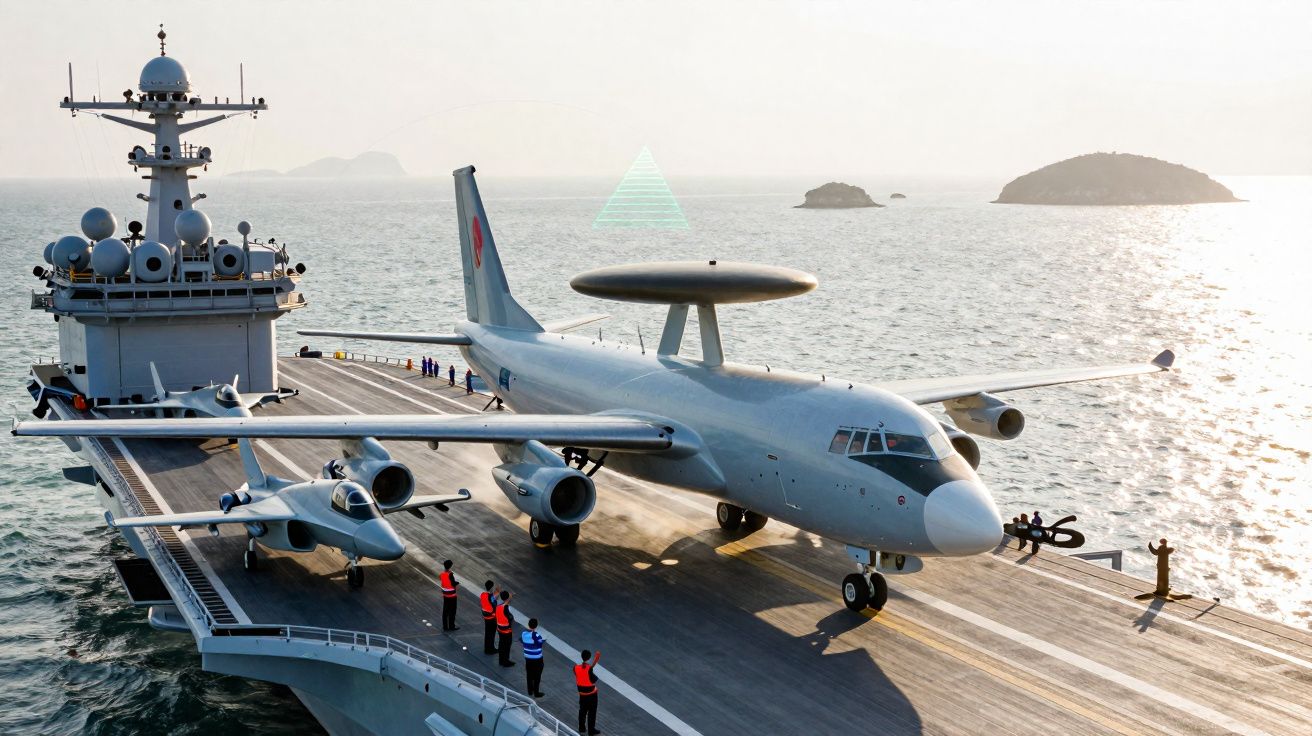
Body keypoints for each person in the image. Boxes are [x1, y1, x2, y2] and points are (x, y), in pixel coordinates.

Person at [574, 649, 601, 735]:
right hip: (591, 695)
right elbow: (594, 680)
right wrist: (590, 668)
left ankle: (581, 728)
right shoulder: (589, 669)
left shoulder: (575, 668)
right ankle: (591, 730)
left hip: (582, 695)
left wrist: (589, 668)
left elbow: (582, 673)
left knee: (582, 711)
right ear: (589, 658)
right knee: (592, 713)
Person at [521, 618, 546, 697]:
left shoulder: (523, 634)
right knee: (537, 675)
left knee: (529, 674)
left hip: (528, 658)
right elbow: (539, 645)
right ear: (536, 626)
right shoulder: (537, 635)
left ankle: (530, 691)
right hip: (537, 658)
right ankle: (536, 692)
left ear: (528, 625)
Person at [495, 590, 515, 667]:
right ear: (507, 598)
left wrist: (510, 596)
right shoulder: (508, 608)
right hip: (507, 631)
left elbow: (506, 602)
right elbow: (510, 618)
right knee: (507, 646)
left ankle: (501, 660)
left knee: (501, 644)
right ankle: (506, 661)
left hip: (500, 629)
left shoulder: (498, 607)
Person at [438, 559, 459, 631]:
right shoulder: (450, 574)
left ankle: (445, 627)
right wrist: (457, 583)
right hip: (452, 595)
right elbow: (453, 583)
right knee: (452, 611)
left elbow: (443, 580)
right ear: (450, 566)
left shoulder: (442, 574)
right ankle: (451, 626)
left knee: (445, 611)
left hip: (445, 595)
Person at [480, 580, 499, 654]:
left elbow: (491, 598)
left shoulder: (482, 594)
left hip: (486, 617)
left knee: (487, 633)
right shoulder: (490, 596)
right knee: (491, 634)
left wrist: (496, 592)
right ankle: (491, 649)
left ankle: (487, 648)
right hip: (492, 618)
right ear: (491, 588)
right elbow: (494, 601)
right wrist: (497, 592)